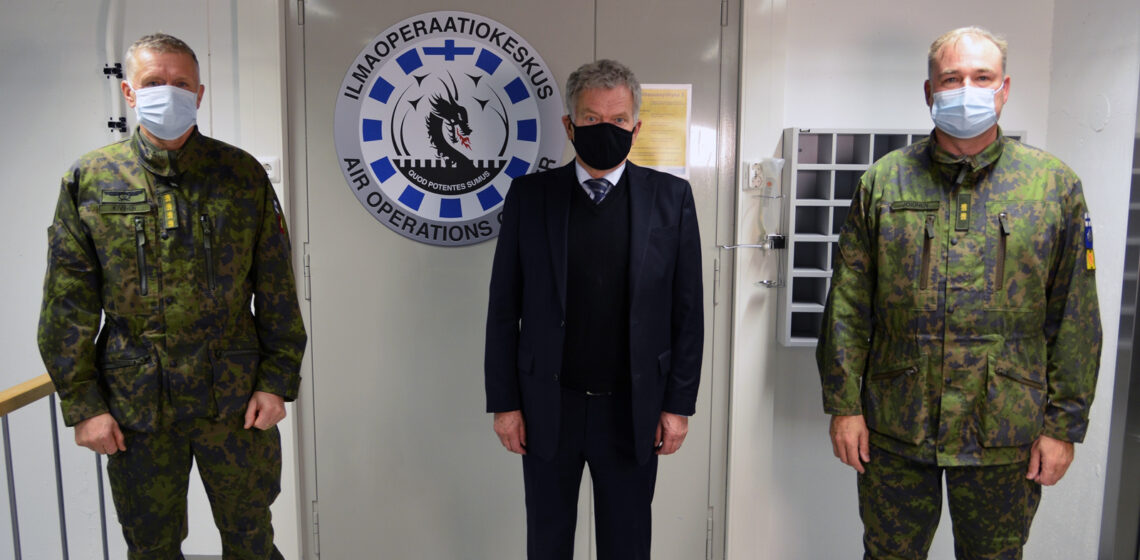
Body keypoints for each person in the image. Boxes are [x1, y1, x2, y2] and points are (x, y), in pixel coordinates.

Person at [816, 26, 1102, 559]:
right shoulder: (884, 183)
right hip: (897, 424)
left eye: (981, 77)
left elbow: (1076, 316)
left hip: (1004, 430)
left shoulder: (1053, 187)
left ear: (1004, 88)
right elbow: (848, 305)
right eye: (951, 78)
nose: (966, 88)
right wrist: (844, 405)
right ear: (930, 92)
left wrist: (1063, 427)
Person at [37, 33, 306, 559]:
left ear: (199, 93)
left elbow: (277, 289)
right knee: (151, 546)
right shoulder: (90, 179)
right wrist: (83, 405)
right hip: (137, 405)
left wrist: (277, 382)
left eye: (179, 84)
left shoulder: (241, 174)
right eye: (153, 83)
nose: (168, 93)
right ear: (128, 93)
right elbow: (67, 303)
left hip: (235, 400)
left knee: (252, 540)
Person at [484, 59, 704, 559]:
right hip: (547, 407)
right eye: (590, 119)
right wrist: (504, 403)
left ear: (636, 126)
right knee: (547, 542)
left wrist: (678, 406)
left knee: (627, 546)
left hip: (632, 409)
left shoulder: (672, 199)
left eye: (618, 119)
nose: (605, 129)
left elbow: (687, 312)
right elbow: (503, 308)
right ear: (569, 124)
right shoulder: (529, 197)